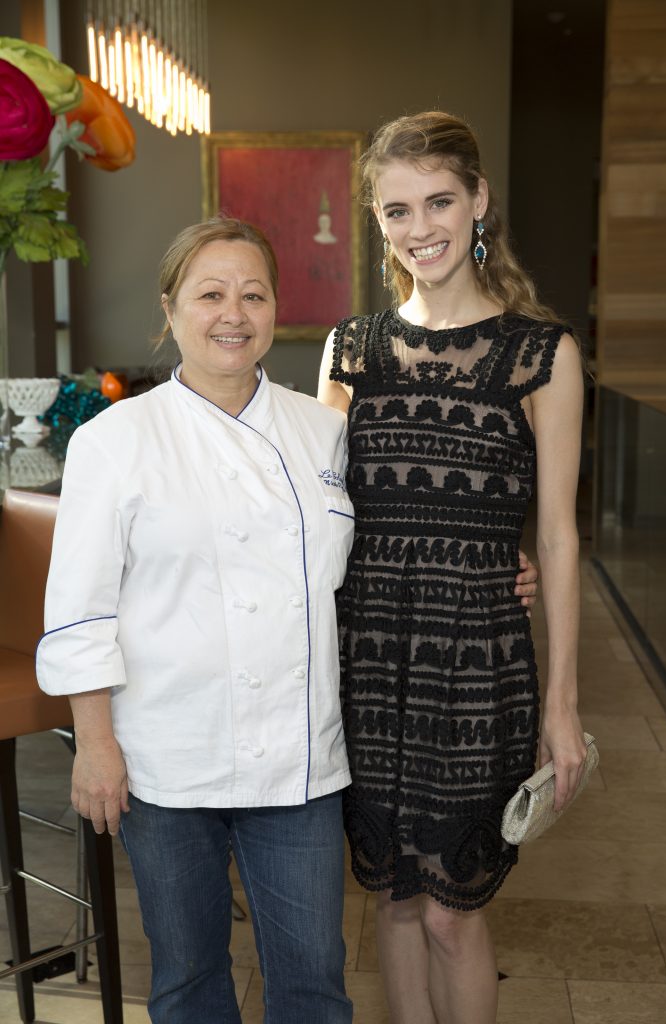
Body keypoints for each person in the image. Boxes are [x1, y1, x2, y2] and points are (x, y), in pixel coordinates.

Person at [36, 216, 357, 1024]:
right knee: (186, 978)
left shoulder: (323, 431)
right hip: (165, 757)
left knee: (315, 981)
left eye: (253, 294)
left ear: (276, 308)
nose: (233, 314)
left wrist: (501, 568)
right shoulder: (114, 441)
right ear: (171, 308)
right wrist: (95, 747)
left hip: (298, 758)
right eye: (210, 294)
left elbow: (365, 573)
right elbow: (79, 610)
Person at [318, 111, 587, 1024]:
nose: (419, 227)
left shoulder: (542, 355)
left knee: (447, 910)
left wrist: (561, 707)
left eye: (438, 201)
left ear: (478, 200)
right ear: (377, 220)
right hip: (367, 655)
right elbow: (318, 516)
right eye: (396, 209)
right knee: (393, 901)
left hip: (478, 661)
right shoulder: (350, 349)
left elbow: (557, 536)